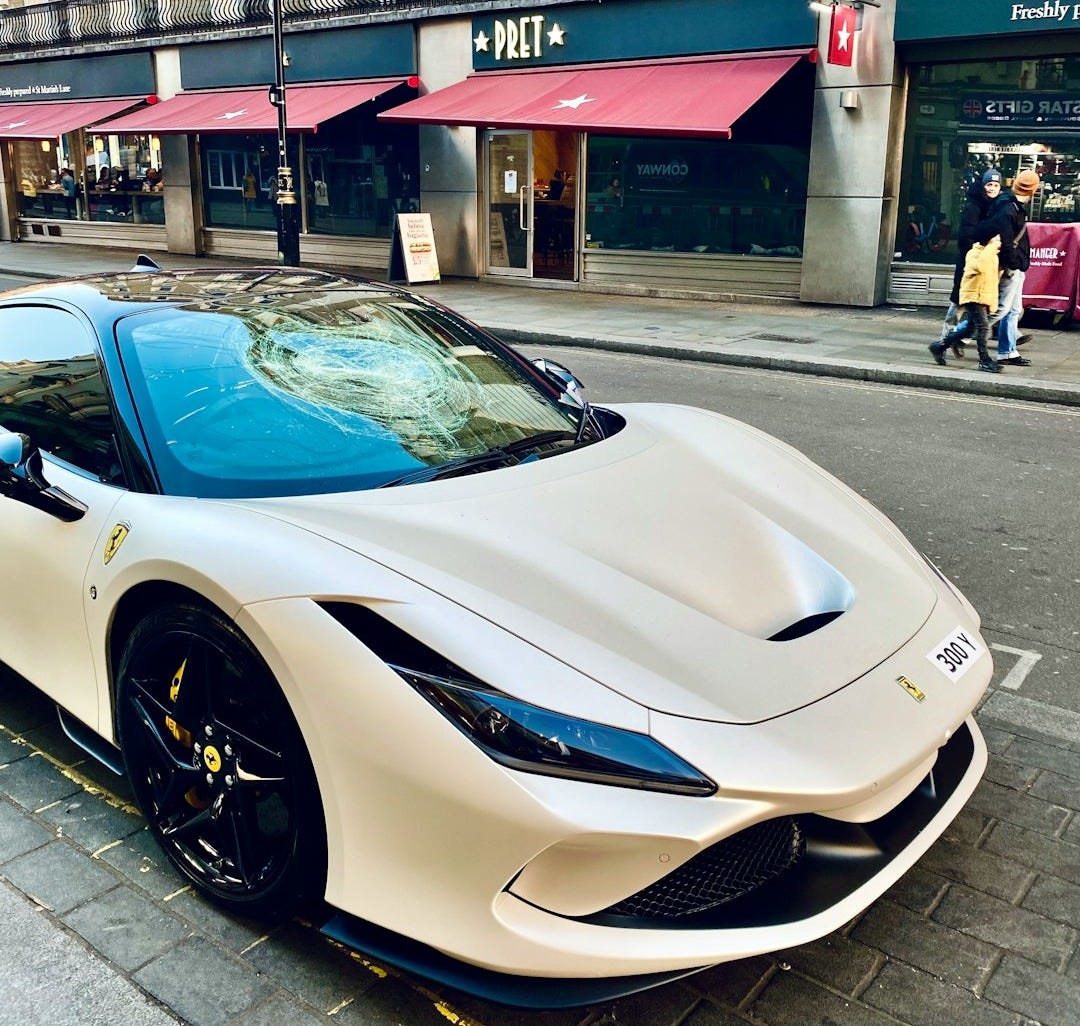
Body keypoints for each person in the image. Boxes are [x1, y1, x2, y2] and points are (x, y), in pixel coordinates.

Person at [936, 168, 1002, 357]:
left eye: (996, 185)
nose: (992, 188)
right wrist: (980, 249)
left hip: (985, 264)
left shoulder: (997, 205)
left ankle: (956, 339)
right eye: (989, 184)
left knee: (977, 307)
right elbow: (966, 236)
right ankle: (944, 341)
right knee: (958, 303)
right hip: (970, 263)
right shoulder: (974, 206)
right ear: (983, 186)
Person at [984, 168, 1040, 367]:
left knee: (1013, 310)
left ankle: (1007, 352)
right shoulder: (1009, 208)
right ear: (1033, 190)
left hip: (1016, 266)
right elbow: (1007, 242)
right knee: (1000, 309)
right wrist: (1014, 264)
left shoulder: (1013, 205)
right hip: (1011, 266)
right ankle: (958, 335)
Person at [932, 235, 1001, 373]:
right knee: (983, 327)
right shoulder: (974, 253)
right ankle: (984, 360)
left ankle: (939, 347)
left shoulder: (991, 254)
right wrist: (992, 247)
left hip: (981, 295)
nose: (999, 242)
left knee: (970, 329)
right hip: (972, 295)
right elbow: (980, 266)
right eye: (995, 239)